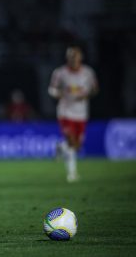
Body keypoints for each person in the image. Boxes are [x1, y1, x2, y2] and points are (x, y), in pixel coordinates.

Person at [48, 46, 98, 182]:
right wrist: (58, 94)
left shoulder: (88, 72)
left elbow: (94, 89)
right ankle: (72, 174)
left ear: (80, 57)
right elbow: (51, 89)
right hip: (65, 111)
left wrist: (87, 96)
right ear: (67, 58)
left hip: (81, 113)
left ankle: (60, 146)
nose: (73, 59)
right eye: (70, 57)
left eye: (75, 56)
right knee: (71, 142)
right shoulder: (60, 72)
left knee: (77, 145)